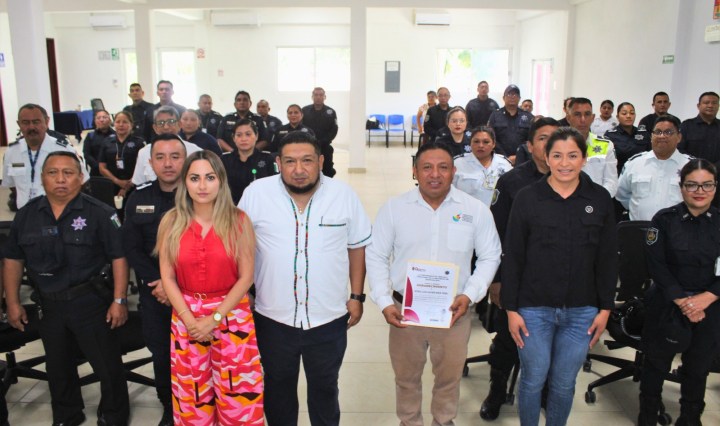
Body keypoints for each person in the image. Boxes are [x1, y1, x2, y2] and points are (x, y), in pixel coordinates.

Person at [238, 131, 371, 426]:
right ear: (278, 163)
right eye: (290, 161)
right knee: (278, 387)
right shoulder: (256, 194)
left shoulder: (343, 195)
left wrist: (357, 296)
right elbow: (239, 246)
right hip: (273, 316)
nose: (299, 169)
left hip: (328, 317)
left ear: (321, 161)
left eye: (307, 161)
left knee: (325, 387)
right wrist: (244, 290)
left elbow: (357, 247)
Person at [366, 142, 501, 426]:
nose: (435, 174)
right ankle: (409, 421)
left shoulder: (475, 210)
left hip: (454, 311)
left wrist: (470, 295)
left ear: (454, 172)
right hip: (405, 311)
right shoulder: (394, 209)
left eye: (443, 167)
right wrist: (384, 301)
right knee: (406, 378)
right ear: (415, 171)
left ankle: (443, 420)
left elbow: (490, 255)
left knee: (449, 378)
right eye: (427, 167)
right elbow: (376, 255)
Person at [4, 151, 130, 426]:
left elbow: (119, 257)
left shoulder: (101, 213)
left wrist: (119, 299)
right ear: (42, 178)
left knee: (107, 365)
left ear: (81, 178)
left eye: (68, 173)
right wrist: (12, 302)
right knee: (58, 366)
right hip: (49, 304)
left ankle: (113, 415)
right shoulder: (27, 215)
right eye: (53, 173)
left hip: (90, 302)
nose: (60, 179)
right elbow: (13, 259)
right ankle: (66, 415)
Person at [502, 127, 617, 426]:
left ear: (584, 159)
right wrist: (511, 309)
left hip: (582, 311)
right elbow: (513, 256)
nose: (565, 163)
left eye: (572, 156)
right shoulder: (528, 198)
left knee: (565, 383)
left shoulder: (599, 198)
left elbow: (607, 259)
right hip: (533, 309)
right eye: (557, 156)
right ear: (546, 157)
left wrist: (605, 308)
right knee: (533, 379)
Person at [156, 150, 263, 425]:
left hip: (232, 315)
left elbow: (246, 277)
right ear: (185, 182)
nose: (202, 186)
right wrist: (190, 320)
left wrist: (214, 319)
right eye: (194, 178)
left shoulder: (239, 220)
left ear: (221, 181)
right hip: (186, 318)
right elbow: (167, 277)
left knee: (238, 398)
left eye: (210, 177)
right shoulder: (171, 222)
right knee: (193, 400)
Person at [480, 117, 560, 421]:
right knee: (507, 340)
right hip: (517, 277)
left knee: (552, 340)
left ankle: (545, 391)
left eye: (555, 138)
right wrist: (497, 280)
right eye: (542, 138)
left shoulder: (574, 181)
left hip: (557, 280)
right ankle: (497, 390)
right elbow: (495, 235)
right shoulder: (512, 182)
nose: (549, 144)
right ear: (530, 145)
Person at [638, 158, 720, 426]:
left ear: (715, 187)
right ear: (682, 187)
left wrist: (706, 299)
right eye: (692, 185)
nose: (700, 191)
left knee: (698, 368)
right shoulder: (664, 220)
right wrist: (684, 302)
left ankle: (690, 418)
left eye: (707, 185)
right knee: (655, 365)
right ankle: (648, 415)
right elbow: (656, 265)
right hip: (667, 301)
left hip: (710, 305)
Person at [122, 134, 187, 426]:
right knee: (162, 353)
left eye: (175, 156)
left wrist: (175, 284)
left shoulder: (200, 193)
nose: (168, 163)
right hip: (155, 293)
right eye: (160, 157)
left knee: (196, 352)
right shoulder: (138, 197)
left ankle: (198, 404)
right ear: (150, 162)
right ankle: (169, 406)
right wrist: (159, 283)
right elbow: (132, 248)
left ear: (185, 159)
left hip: (193, 292)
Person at [2, 104, 89, 210]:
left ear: (47, 122)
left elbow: (82, 180)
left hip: (57, 213)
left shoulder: (64, 149)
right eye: (25, 122)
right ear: (19, 124)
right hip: (25, 213)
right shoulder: (12, 152)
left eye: (36, 122)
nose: (31, 127)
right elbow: (12, 185)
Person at [616, 115, 692, 221]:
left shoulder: (691, 166)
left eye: (668, 132)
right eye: (658, 132)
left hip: (678, 229)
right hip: (640, 227)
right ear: (651, 136)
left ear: (679, 137)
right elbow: (622, 194)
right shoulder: (634, 163)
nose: (662, 136)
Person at [131, 106, 202, 186]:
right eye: (161, 123)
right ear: (155, 128)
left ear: (179, 125)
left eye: (171, 122)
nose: (166, 127)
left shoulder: (195, 151)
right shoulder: (144, 152)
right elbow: (140, 184)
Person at [566, 97, 618, 197]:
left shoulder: (605, 145)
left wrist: (596, 200)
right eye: (577, 114)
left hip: (597, 201)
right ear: (568, 118)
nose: (583, 119)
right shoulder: (559, 145)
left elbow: (611, 182)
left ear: (593, 117)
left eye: (587, 114)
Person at [453, 126, 513, 206]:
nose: (480, 145)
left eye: (486, 142)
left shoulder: (505, 164)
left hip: (497, 212)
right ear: (470, 143)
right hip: (465, 211)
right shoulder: (457, 164)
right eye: (476, 141)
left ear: (493, 144)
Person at [221, 119, 276, 204]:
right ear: (233, 138)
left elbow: (274, 187)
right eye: (239, 135)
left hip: (260, 206)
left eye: (248, 134)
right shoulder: (224, 160)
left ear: (256, 136)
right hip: (230, 207)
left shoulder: (267, 159)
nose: (243, 139)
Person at [99, 111, 145, 202]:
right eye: (118, 122)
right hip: (112, 184)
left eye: (125, 122)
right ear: (114, 124)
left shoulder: (139, 143)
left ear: (131, 124)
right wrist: (117, 181)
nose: (121, 125)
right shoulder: (107, 142)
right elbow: (102, 168)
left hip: (134, 185)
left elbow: (142, 167)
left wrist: (127, 186)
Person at [487, 85, 534, 164]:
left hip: (523, 160)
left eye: (515, 94)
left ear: (519, 98)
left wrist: (518, 155)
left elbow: (531, 139)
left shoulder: (528, 117)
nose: (512, 97)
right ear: (503, 98)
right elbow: (490, 137)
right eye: (509, 94)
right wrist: (505, 157)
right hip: (498, 159)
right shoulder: (495, 115)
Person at [604, 102, 651, 175]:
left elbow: (650, 155)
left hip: (641, 174)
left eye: (632, 113)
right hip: (619, 175)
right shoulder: (610, 135)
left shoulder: (643, 134)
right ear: (617, 117)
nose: (628, 116)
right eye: (624, 113)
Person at [302, 87, 339, 177]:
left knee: (327, 170)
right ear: (312, 97)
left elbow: (334, 129)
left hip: (325, 146)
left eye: (321, 95)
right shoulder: (304, 111)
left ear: (324, 97)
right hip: (308, 146)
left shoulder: (331, 112)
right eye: (316, 95)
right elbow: (301, 127)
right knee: (308, 168)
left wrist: (323, 141)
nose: (318, 97)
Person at [679, 91, 720, 163]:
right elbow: (680, 149)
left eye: (714, 103)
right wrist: (696, 165)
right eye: (706, 103)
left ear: (718, 106)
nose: (710, 106)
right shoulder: (687, 125)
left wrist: (715, 167)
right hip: (691, 168)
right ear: (698, 106)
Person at [82, 109, 116, 176]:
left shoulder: (116, 135)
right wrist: (99, 167)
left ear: (110, 120)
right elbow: (87, 154)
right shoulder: (90, 136)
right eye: (98, 118)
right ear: (95, 121)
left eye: (104, 117)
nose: (101, 120)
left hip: (114, 172)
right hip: (96, 172)